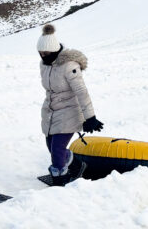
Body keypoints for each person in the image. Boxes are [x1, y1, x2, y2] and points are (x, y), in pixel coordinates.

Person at [38, 23, 104, 186]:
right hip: (51, 111)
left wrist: (90, 117)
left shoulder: (69, 66)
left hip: (70, 112)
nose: (42, 56)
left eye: (46, 53)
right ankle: (76, 165)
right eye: (40, 53)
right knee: (51, 147)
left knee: (57, 151)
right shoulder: (44, 64)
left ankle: (60, 180)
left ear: (54, 51)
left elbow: (82, 91)